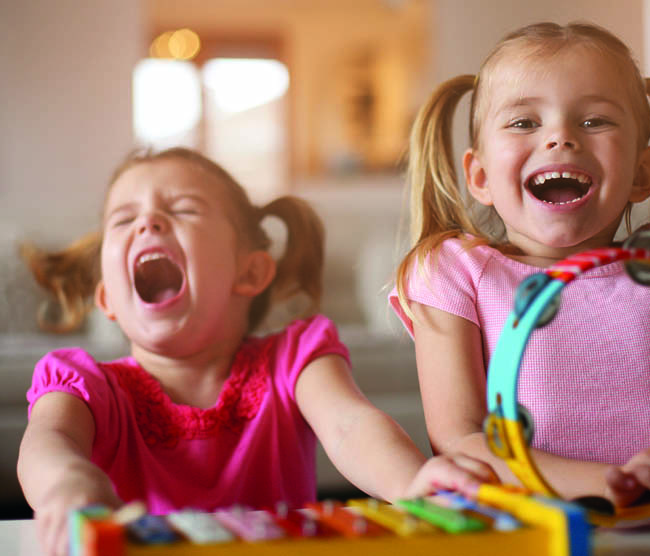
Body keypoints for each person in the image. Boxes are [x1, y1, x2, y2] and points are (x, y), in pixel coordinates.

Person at [17, 147, 495, 556]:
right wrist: (67, 486)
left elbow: (350, 425)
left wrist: (410, 483)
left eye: (183, 209)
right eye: (124, 218)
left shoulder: (295, 357)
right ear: (107, 301)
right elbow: (49, 441)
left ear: (248, 273)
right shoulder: (83, 382)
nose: (148, 222)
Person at [389, 22, 650, 527]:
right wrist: (622, 483)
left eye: (594, 121)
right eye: (524, 122)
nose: (560, 137)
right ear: (479, 177)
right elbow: (462, 446)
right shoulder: (454, 271)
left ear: (642, 173)